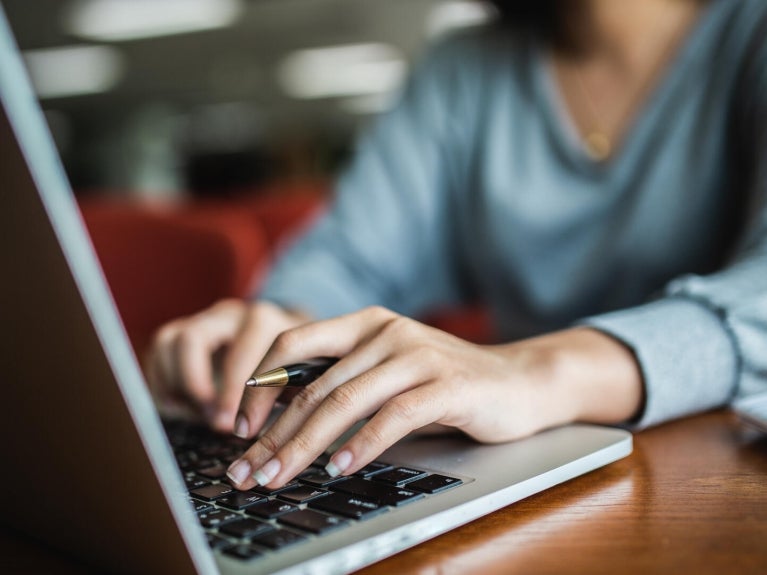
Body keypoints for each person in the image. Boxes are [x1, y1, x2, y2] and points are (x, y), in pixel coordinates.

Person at [148, 0, 767, 491]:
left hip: (712, 471)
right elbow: (350, 256)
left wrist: (534, 370)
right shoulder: (463, 68)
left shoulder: (750, 32)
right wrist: (287, 328)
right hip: (517, 470)